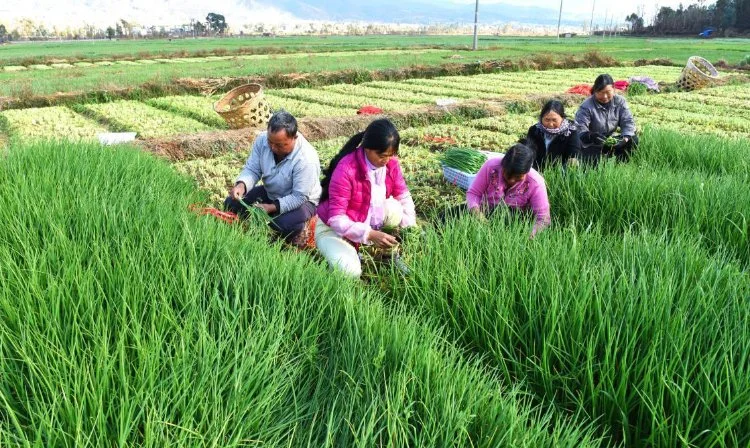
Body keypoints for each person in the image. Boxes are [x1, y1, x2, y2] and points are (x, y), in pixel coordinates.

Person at [315, 118, 416, 278]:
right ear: (367, 149)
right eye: (382, 155)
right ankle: (336, 258)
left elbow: (404, 196)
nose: (387, 160)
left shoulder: (390, 165)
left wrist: (410, 229)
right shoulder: (347, 169)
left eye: (391, 155)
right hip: (333, 229)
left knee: (397, 209)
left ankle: (387, 254)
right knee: (350, 272)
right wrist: (369, 234)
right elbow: (337, 220)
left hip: (362, 220)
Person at [225, 110, 321, 243]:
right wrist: (241, 186)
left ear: (294, 138)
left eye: (280, 145)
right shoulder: (262, 140)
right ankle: (244, 232)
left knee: (278, 226)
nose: (273, 148)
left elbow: (299, 196)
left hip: (303, 202)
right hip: (272, 191)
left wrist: (270, 208)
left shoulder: (306, 158)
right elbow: (253, 169)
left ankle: (302, 228)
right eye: (271, 142)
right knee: (231, 204)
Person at [444, 142, 550, 237]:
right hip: (484, 209)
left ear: (526, 172)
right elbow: (474, 193)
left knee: (503, 215)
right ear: (503, 165)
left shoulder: (536, 182)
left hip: (513, 218)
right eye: (508, 174)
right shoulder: (491, 166)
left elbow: (543, 219)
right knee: (448, 216)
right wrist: (478, 215)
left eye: (518, 177)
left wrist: (530, 235)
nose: (512, 180)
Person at [575, 74, 638, 163]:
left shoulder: (620, 101)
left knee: (633, 139)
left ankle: (621, 166)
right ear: (595, 91)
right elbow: (579, 130)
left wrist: (624, 139)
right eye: (600, 92)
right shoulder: (586, 106)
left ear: (614, 89)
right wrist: (591, 136)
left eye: (608, 92)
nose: (605, 96)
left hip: (609, 140)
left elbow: (628, 122)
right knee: (592, 163)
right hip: (593, 142)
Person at [524, 99, 581, 171]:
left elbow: (574, 156)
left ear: (562, 118)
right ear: (541, 118)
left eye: (554, 120)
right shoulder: (535, 130)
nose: (550, 124)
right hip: (537, 172)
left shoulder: (571, 132)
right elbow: (528, 151)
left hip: (561, 174)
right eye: (547, 120)